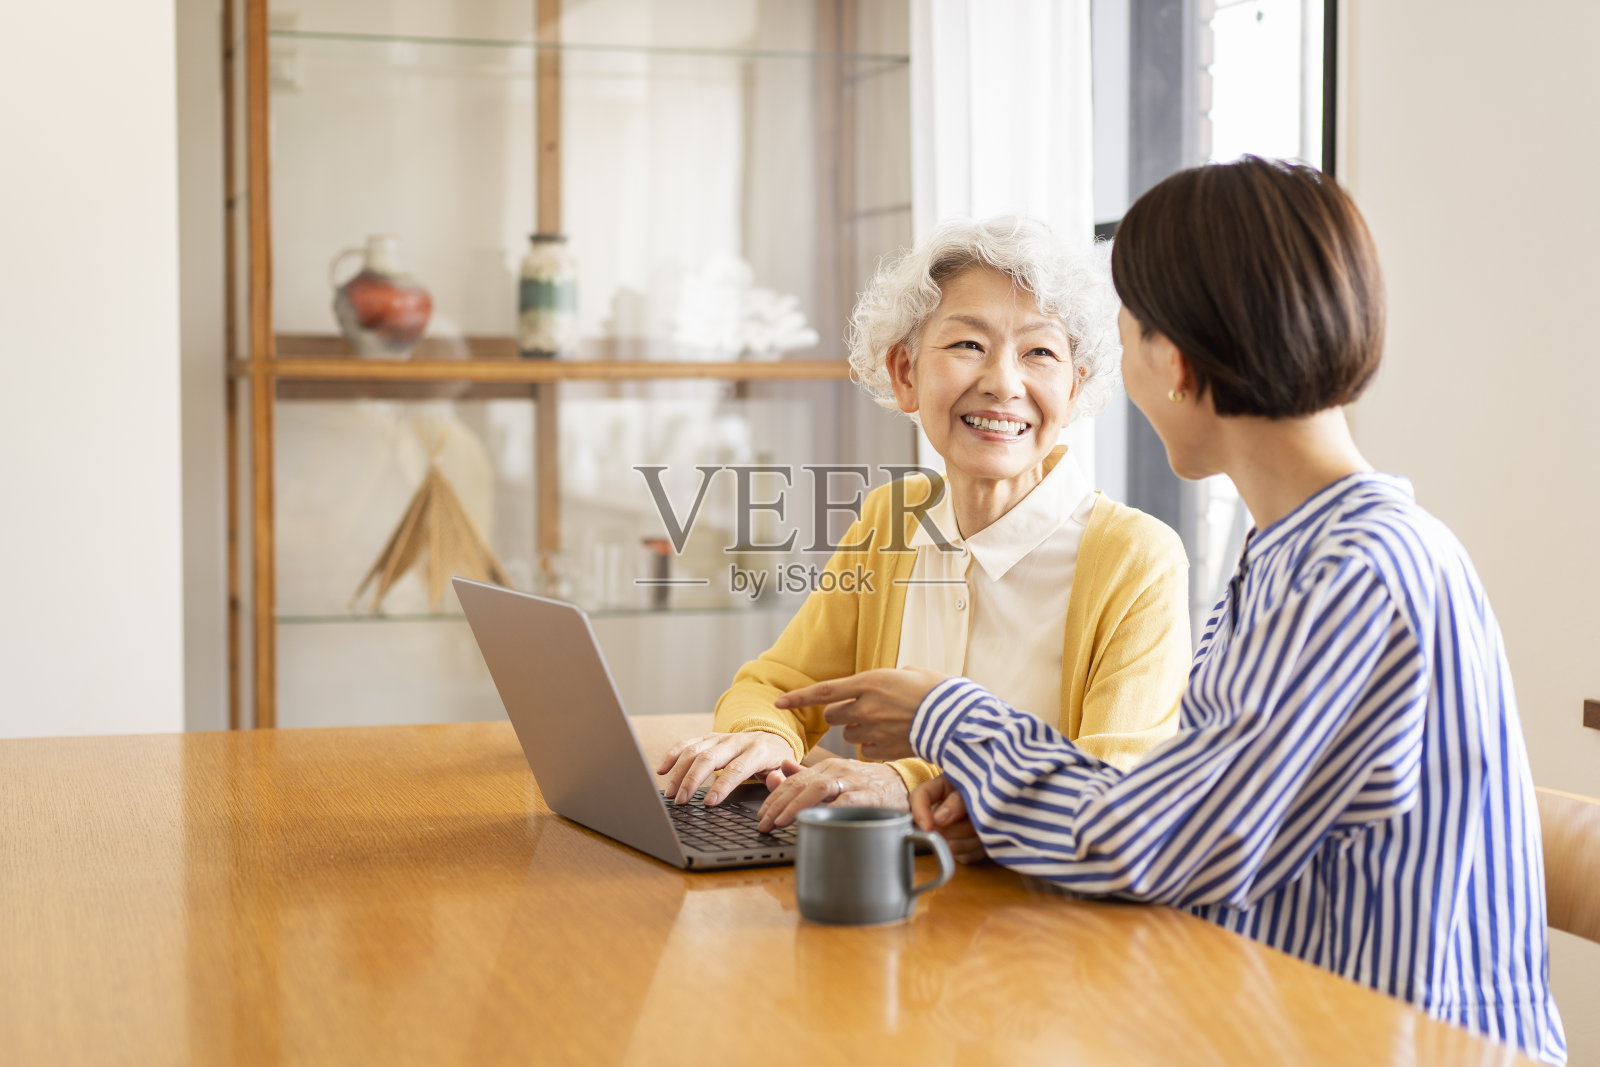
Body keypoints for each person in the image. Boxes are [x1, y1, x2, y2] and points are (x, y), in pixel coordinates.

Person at [776, 157, 1566, 1064]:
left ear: (1178, 361)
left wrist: (943, 715)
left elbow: (1147, 844)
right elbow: (1174, 809)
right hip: (1275, 1019)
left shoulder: (1356, 572)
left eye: (1121, 337)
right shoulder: (1297, 552)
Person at [656, 217, 1192, 854]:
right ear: (906, 373)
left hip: (1036, 921)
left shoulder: (1137, 557)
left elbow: (1117, 793)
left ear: (1075, 387)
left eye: (1040, 352)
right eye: (968, 344)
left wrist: (901, 783)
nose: (1003, 382)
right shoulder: (892, 518)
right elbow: (776, 684)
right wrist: (766, 736)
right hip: (888, 894)